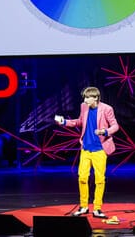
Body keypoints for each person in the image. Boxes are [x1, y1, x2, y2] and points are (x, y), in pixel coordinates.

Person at [55, 86, 119, 218]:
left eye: (87, 97)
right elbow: (79, 122)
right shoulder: (84, 107)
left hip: (100, 149)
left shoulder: (107, 109)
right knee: (82, 178)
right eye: (84, 97)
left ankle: (97, 208)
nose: (85, 100)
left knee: (99, 180)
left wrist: (104, 131)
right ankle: (83, 206)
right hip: (86, 148)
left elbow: (115, 126)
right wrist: (64, 122)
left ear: (95, 98)